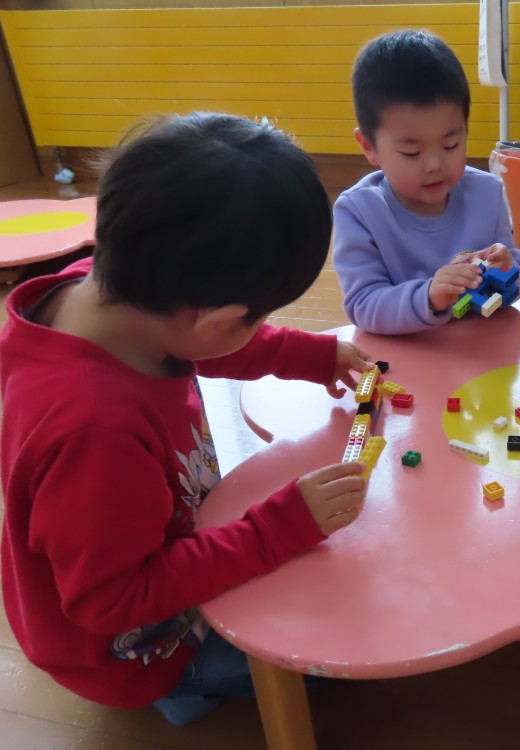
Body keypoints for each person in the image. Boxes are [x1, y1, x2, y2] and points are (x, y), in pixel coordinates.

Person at [0, 112, 374, 727]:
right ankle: (178, 688)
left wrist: (309, 354)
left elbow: (203, 341)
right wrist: (275, 529)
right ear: (215, 319)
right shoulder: (95, 433)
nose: (257, 328)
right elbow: (112, 599)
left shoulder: (112, 291)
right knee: (334, 645)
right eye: (256, 317)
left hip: (145, 541)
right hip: (132, 644)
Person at [333, 29, 520, 335]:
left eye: (451, 145)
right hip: (406, 354)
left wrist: (506, 269)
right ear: (369, 147)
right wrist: (428, 297)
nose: (435, 165)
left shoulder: (487, 194)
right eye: (411, 152)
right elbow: (363, 304)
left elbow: (518, 280)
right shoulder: (360, 212)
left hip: (480, 349)